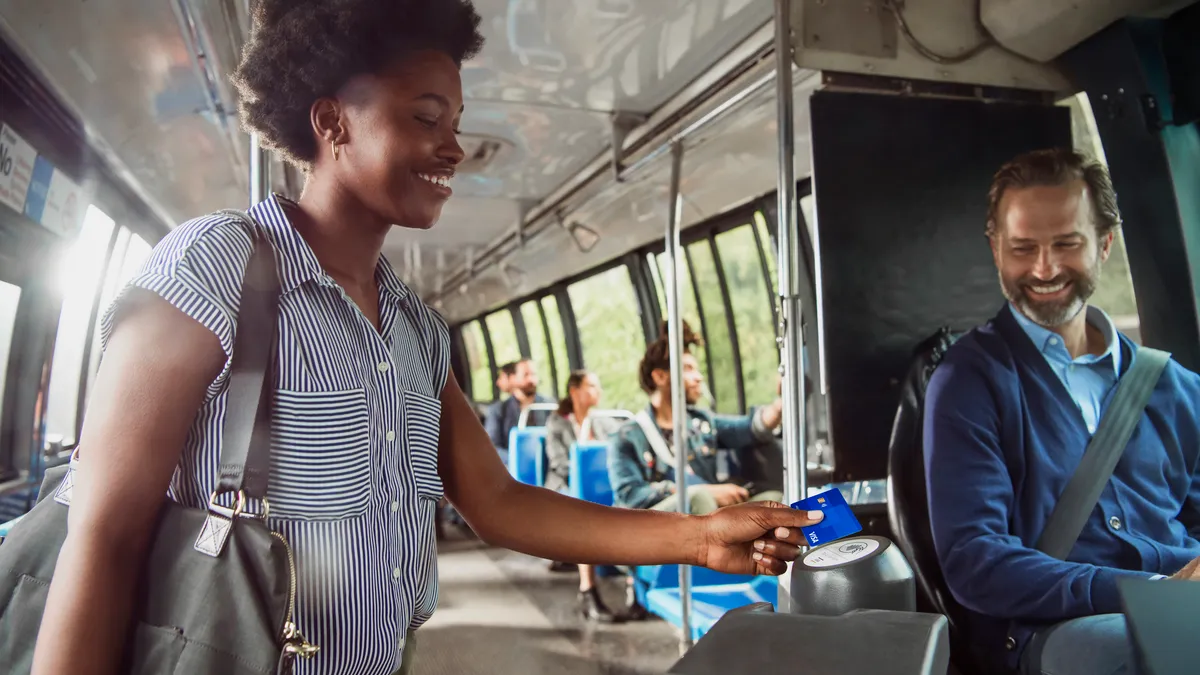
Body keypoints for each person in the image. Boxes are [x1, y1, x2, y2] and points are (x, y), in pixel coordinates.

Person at [27, 2, 825, 674]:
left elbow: (498, 501)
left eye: (457, 123)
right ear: (332, 122)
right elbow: (103, 536)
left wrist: (697, 536)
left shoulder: (411, 327)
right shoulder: (216, 267)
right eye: (425, 118)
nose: (453, 146)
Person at [923, 148, 1200, 675]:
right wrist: (1156, 592)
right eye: (1023, 248)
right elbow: (976, 559)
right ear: (995, 250)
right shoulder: (967, 383)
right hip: (1050, 629)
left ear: (1105, 243)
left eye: (1066, 244)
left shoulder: (1177, 387)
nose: (1044, 269)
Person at [608, 321, 786, 515]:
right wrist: (704, 491)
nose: (698, 377)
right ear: (659, 377)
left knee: (772, 502)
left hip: (702, 511)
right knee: (698, 498)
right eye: (688, 369)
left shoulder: (701, 422)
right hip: (654, 523)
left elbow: (749, 428)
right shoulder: (627, 436)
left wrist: (780, 405)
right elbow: (631, 495)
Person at [544, 370, 624, 622]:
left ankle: (636, 589)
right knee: (582, 509)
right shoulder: (557, 423)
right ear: (574, 391)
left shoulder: (603, 422)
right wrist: (582, 477)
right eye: (591, 386)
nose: (597, 392)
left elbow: (621, 444)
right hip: (566, 486)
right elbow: (559, 462)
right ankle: (587, 590)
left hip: (601, 486)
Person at [484, 358, 552, 452]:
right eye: (525, 375)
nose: (531, 379)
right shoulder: (499, 410)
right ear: (512, 378)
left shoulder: (550, 406)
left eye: (533, 374)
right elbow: (492, 447)